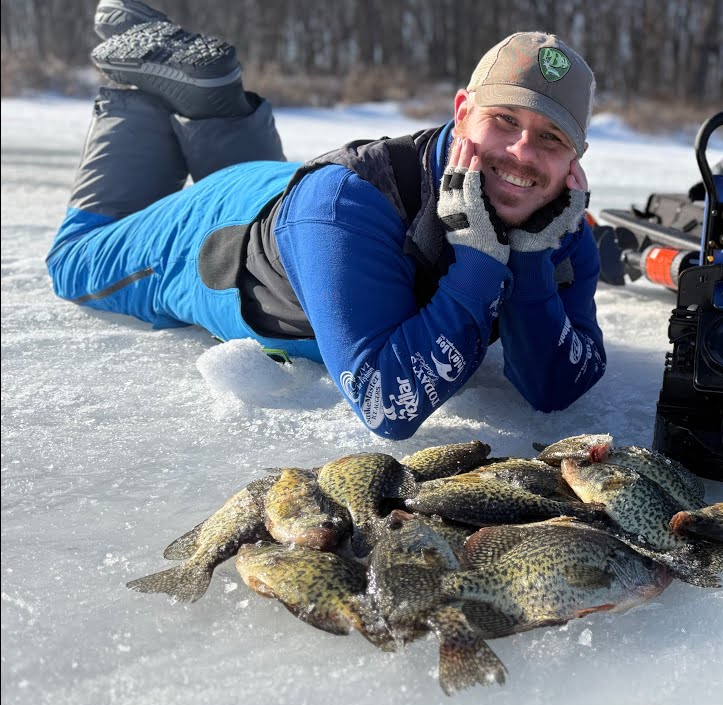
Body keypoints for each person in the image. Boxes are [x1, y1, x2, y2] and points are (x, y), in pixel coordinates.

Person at [47, 1, 607, 440]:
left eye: (551, 138)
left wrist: (530, 262)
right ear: (462, 113)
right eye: (504, 119)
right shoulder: (349, 204)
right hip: (222, 231)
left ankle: (211, 100)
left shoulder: (555, 222)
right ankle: (134, 96)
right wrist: (481, 265)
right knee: (73, 261)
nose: (521, 153)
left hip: (302, 207)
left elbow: (554, 389)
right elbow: (387, 404)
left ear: (575, 158)